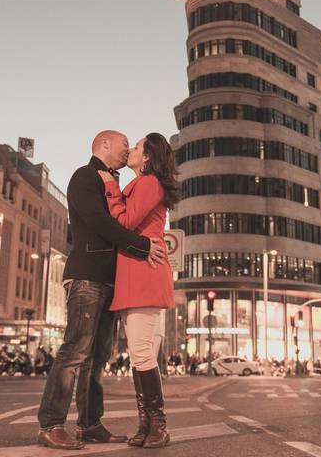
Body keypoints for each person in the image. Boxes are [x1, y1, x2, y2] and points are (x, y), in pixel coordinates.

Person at [36, 131, 166, 450]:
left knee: (97, 357)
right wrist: (141, 245)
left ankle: (90, 423)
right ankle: (51, 424)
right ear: (105, 144)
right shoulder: (85, 176)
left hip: (111, 280)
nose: (127, 150)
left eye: (132, 147)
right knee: (75, 349)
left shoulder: (116, 183)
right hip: (88, 276)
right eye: (125, 144)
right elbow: (101, 223)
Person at [98, 133, 178, 448]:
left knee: (143, 353)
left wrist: (110, 187)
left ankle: (159, 424)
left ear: (147, 157)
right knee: (137, 355)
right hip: (136, 271)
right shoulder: (141, 184)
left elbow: (127, 221)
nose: (131, 149)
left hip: (145, 272)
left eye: (139, 145)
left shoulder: (148, 183)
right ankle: (147, 425)